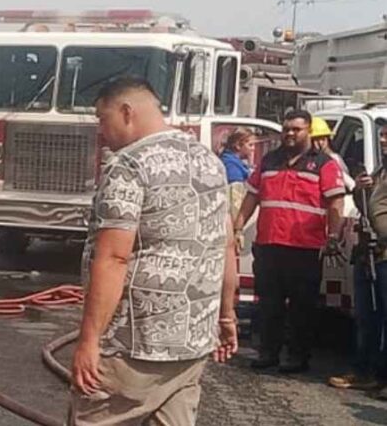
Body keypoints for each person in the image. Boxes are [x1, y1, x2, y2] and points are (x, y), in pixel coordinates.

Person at [69, 77, 238, 426]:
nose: (101, 131)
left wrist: (89, 341)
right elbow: (225, 245)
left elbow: (114, 258)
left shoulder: (128, 166)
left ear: (126, 112)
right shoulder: (210, 162)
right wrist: (226, 316)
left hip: (134, 347)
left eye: (103, 119)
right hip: (191, 345)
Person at [233, 109, 347, 373]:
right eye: (286, 129)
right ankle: (268, 353)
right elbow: (251, 196)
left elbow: (336, 202)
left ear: (308, 131)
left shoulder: (324, 164)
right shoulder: (269, 161)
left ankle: (297, 357)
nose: (290, 134)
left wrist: (333, 235)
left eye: (296, 129)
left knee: (301, 308)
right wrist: (237, 227)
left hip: (304, 248)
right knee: (269, 304)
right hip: (270, 245)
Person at [329, 119, 387, 394]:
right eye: (383, 136)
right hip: (370, 253)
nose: (384, 141)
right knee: (367, 317)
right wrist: (364, 187)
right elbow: (368, 206)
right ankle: (364, 370)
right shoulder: (380, 171)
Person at [311, 117, 355, 192]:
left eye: (323, 139)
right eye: (316, 139)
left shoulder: (333, 159)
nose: (320, 143)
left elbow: (350, 184)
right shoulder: (304, 161)